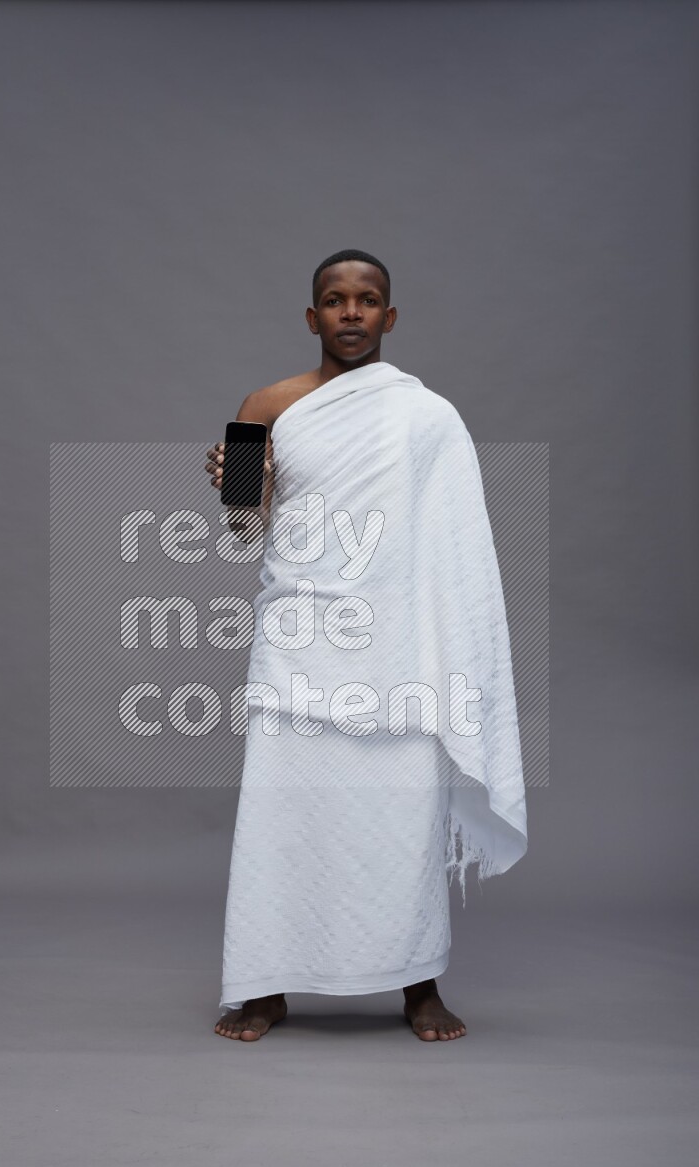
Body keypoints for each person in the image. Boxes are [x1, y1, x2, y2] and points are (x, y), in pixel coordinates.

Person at [204, 249, 526, 1042]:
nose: (352, 312)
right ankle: (266, 986)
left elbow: (453, 544)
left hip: (397, 648)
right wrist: (238, 483)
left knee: (400, 817)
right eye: (335, 300)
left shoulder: (429, 416)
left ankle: (418, 986)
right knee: (284, 815)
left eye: (369, 299)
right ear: (312, 318)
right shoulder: (262, 405)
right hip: (300, 638)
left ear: (389, 316)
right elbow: (244, 530)